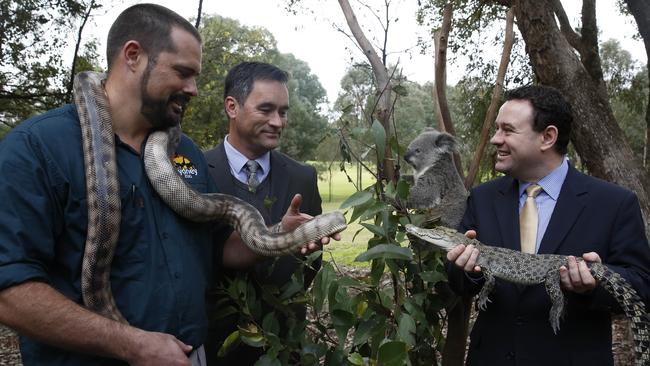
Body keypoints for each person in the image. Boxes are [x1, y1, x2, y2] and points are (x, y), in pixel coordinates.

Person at [0, 5, 335, 366]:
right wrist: (132, 345)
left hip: (189, 355)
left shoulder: (184, 149)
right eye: (182, 72)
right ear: (133, 56)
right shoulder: (38, 148)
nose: (193, 88)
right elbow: (10, 291)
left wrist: (274, 235)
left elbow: (217, 248)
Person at [447, 85, 650, 366]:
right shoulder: (483, 198)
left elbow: (641, 285)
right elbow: (458, 282)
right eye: (496, 129)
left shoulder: (614, 203)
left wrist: (593, 285)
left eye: (507, 130)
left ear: (548, 137)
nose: (495, 139)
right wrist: (467, 270)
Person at [203, 61, 322, 364]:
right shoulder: (194, 173)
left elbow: (310, 264)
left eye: (283, 112)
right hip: (213, 344)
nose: (278, 122)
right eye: (266, 109)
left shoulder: (303, 178)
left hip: (284, 344)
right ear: (232, 106)